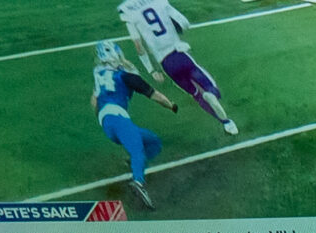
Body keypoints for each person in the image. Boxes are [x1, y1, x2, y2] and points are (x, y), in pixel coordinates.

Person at [120, 0, 235, 134]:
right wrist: (176, 29)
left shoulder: (127, 10)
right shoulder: (159, 1)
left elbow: (139, 47)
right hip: (180, 54)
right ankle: (211, 95)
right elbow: (184, 22)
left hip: (166, 64)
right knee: (210, 87)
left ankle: (225, 123)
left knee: (195, 94)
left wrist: (151, 70)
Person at [90, 40, 175, 206]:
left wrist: (103, 119)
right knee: (138, 151)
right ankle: (138, 182)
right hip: (119, 119)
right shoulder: (126, 76)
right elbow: (155, 95)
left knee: (153, 141)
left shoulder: (98, 72)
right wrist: (172, 106)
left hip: (107, 121)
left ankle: (133, 163)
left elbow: (94, 100)